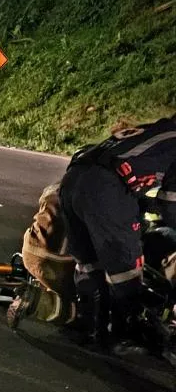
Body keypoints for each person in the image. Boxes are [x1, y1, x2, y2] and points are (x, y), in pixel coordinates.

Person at [58, 114, 176, 354]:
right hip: (107, 188)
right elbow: (171, 204)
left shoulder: (154, 130)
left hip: (73, 179)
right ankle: (122, 335)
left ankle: (90, 326)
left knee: (88, 262)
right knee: (126, 270)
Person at [6, 183, 78, 329]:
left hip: (31, 252)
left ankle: (48, 290)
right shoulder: (109, 192)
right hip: (59, 264)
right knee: (91, 310)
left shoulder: (70, 180)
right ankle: (41, 303)